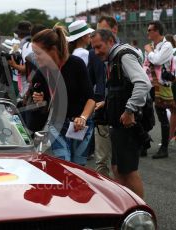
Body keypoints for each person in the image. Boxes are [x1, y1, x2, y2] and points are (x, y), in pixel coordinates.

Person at [91, 29, 151, 198]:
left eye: (99, 47)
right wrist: (108, 103)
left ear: (110, 41)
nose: (96, 52)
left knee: (129, 171)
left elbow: (143, 83)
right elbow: (122, 88)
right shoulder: (113, 58)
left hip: (128, 123)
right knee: (117, 168)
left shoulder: (123, 56)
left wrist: (129, 110)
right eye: (93, 48)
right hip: (118, 124)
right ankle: (126, 208)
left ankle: (140, 215)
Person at [32, 26, 95, 166]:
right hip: (57, 123)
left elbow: (91, 98)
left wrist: (83, 118)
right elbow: (42, 102)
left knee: (78, 168)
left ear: (53, 51)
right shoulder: (43, 70)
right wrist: (40, 101)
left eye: (38, 53)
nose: (35, 57)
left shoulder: (76, 64)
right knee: (64, 164)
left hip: (80, 124)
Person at [90, 15, 119, 177]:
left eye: (103, 29)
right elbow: (90, 81)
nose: (99, 32)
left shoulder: (126, 51)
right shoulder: (93, 52)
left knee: (120, 163)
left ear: (114, 30)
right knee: (101, 161)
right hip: (101, 110)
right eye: (97, 29)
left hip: (120, 112)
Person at [143, 21, 174, 159]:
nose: (148, 32)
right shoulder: (152, 46)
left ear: (157, 31)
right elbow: (146, 64)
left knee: (162, 117)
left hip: (163, 85)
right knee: (146, 113)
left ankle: (165, 148)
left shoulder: (167, 45)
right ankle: (144, 143)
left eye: (150, 30)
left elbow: (157, 60)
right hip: (150, 84)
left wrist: (149, 52)